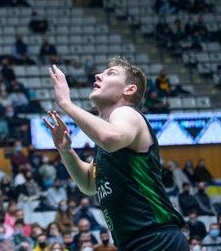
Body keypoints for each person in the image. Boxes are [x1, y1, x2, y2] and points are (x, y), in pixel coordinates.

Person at [43, 57, 186, 250]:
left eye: (111, 73)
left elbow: (110, 138)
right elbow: (88, 183)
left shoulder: (127, 114)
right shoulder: (107, 136)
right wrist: (66, 151)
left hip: (156, 237)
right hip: (134, 242)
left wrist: (66, 103)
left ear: (129, 89)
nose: (98, 75)